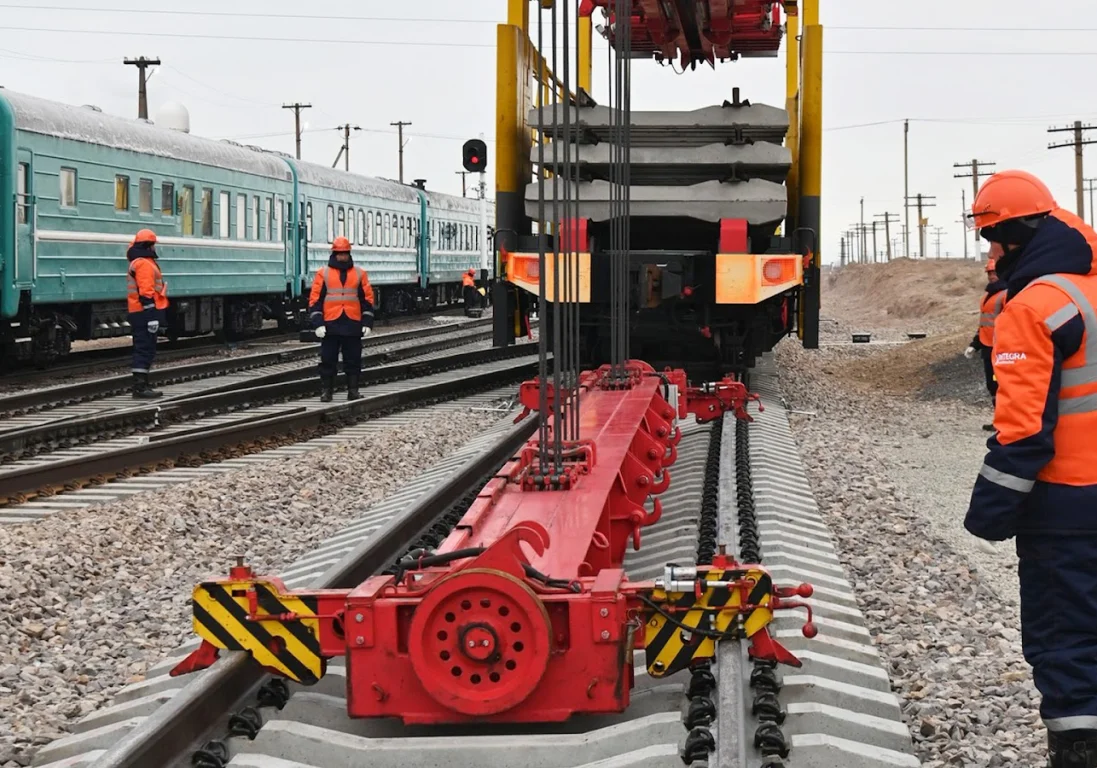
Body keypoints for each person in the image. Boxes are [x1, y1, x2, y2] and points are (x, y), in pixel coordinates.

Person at [963, 169, 1097, 768]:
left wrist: (989, 514)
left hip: (1068, 506)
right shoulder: (1088, 292)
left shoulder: (1035, 306)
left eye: (992, 239)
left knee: (1066, 636)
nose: (990, 255)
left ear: (1014, 236)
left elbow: (1023, 433)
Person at [308, 236, 375, 402]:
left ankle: (353, 391)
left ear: (349, 253)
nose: (342, 256)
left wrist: (367, 322)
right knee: (327, 359)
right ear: (334, 254)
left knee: (353, 360)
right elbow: (315, 300)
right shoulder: (322, 274)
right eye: (339, 253)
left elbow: (367, 300)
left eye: (345, 253)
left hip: (352, 323)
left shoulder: (360, 274)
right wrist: (318, 323)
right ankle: (326, 392)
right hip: (331, 324)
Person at [964, 243, 1007, 430]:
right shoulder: (987, 297)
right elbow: (984, 324)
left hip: (1002, 349)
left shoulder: (1006, 295)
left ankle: (1005, 422)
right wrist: (975, 344)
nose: (991, 276)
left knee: (1002, 385)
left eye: (994, 272)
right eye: (989, 273)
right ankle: (999, 421)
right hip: (988, 347)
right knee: (992, 385)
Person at [126, 229, 168, 398]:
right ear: (149, 245)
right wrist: (151, 317)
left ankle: (142, 384)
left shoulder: (141, 261)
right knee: (144, 349)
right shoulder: (143, 263)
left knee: (145, 348)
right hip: (144, 313)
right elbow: (146, 292)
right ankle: (140, 387)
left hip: (141, 312)